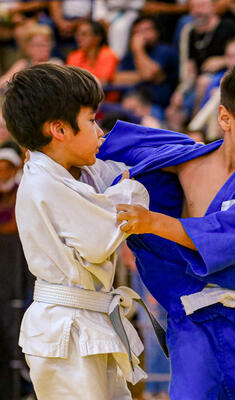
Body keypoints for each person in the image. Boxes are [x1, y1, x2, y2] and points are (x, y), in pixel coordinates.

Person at [97, 63, 235, 399]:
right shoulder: (179, 157)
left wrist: (150, 221)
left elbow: (225, 235)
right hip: (190, 321)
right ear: (225, 118)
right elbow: (99, 148)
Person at [2, 64, 152, 399]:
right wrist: (130, 189)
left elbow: (116, 174)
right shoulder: (42, 181)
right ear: (59, 129)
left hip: (88, 319)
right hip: (65, 328)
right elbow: (100, 238)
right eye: (90, 120)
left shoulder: (70, 172)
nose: (100, 132)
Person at [113, 16, 179, 109]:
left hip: (156, 106)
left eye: (146, 30)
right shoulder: (130, 55)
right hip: (129, 102)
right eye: (137, 32)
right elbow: (117, 78)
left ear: (156, 32)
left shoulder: (165, 51)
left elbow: (150, 74)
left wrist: (138, 49)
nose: (142, 35)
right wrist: (142, 75)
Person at [178, 0, 235, 81]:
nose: (197, 11)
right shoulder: (191, 32)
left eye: (201, 6)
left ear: (213, 7)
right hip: (199, 81)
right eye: (193, 7)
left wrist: (223, 61)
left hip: (230, 76)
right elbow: (190, 66)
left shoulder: (230, 27)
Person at [66, 20, 119, 85]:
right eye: (77, 34)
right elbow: (70, 81)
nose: (78, 38)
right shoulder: (74, 56)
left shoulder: (108, 55)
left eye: (84, 34)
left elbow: (103, 81)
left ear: (97, 38)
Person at [0, 146, 21, 234]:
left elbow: (15, 226)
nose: (3, 173)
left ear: (15, 170)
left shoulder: (20, 191)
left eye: (8, 168)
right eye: (0, 169)